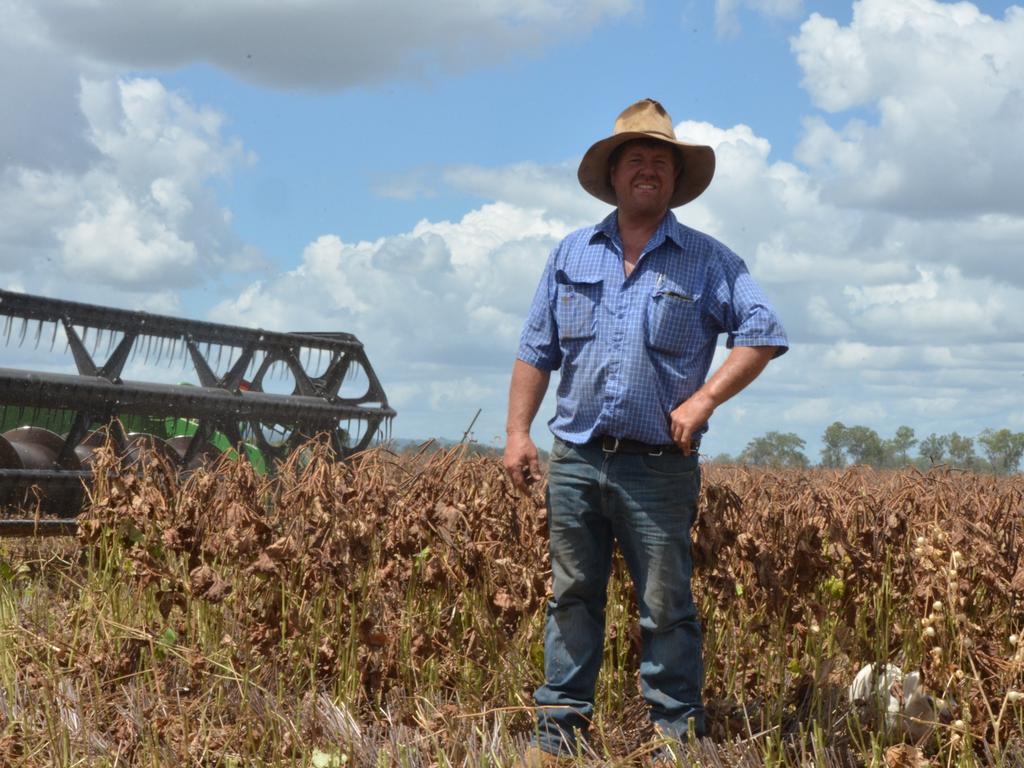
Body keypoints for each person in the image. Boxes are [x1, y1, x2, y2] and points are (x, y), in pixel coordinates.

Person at [503, 98, 788, 763]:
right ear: (613, 174)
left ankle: (675, 739)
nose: (649, 170)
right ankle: (558, 736)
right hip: (574, 459)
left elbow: (762, 334)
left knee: (665, 606)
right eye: (637, 158)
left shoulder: (709, 261)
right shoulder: (571, 253)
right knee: (572, 598)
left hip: (658, 468)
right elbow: (534, 349)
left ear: (675, 179)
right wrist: (518, 434)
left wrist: (704, 400)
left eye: (662, 161)